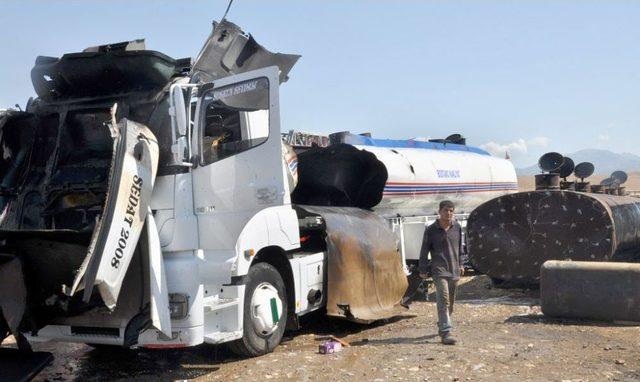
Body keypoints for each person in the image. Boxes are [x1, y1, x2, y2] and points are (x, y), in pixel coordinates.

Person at [418, 200, 467, 345]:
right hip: (439, 270)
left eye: (451, 210)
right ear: (439, 211)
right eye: (446, 210)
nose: (449, 213)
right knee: (443, 299)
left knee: (450, 302)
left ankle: (442, 323)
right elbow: (424, 250)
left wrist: (462, 263)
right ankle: (446, 332)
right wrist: (422, 269)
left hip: (454, 269)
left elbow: (460, 248)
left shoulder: (457, 227)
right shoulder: (431, 229)